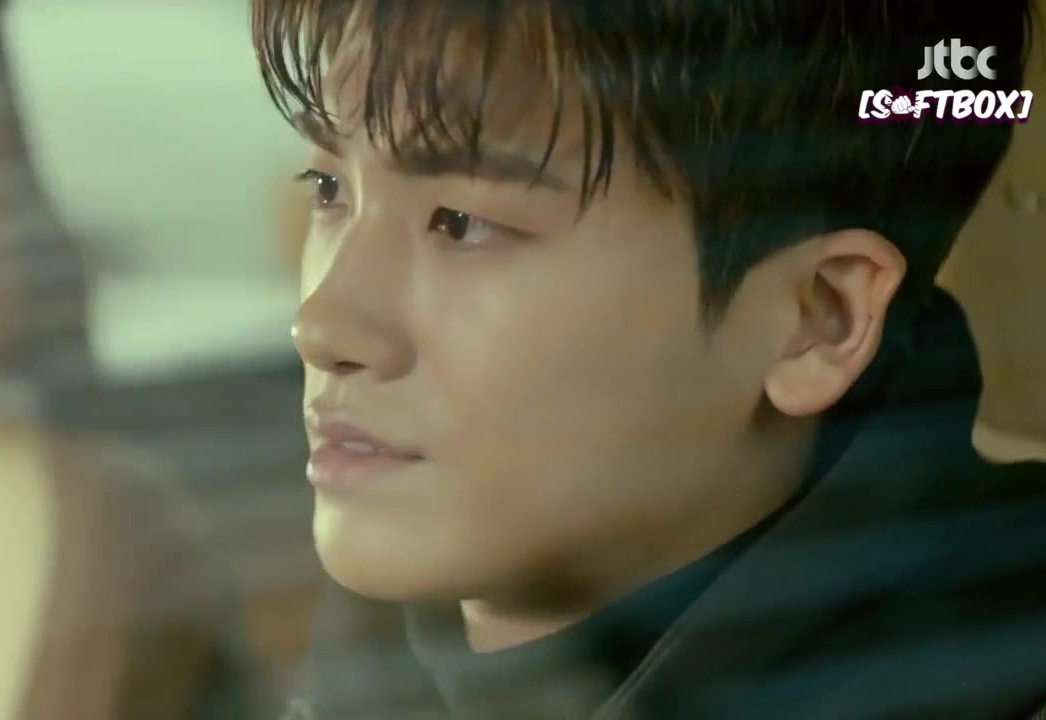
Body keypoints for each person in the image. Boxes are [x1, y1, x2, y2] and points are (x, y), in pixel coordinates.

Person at [251, 1, 1046, 718]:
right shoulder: (383, 638)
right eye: (329, 188)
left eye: (461, 223)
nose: (322, 326)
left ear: (818, 320)